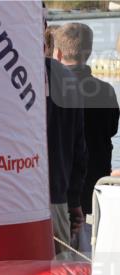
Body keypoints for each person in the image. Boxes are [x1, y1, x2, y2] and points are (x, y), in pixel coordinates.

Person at [53, 23, 120, 253]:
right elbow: (112, 129)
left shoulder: (52, 91)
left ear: (58, 53)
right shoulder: (106, 91)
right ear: (90, 52)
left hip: (62, 190)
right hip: (97, 187)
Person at [46, 55, 87, 257]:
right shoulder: (68, 79)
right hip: (58, 196)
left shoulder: (6, 73)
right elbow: (80, 149)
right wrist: (74, 201)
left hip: (15, 199)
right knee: (60, 273)